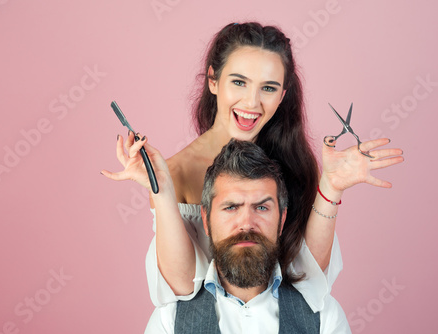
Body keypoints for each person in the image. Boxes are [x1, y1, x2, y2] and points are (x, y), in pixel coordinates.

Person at [101, 22, 403, 309]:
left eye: (268, 88)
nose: (252, 103)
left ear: (283, 95)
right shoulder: (173, 173)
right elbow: (181, 287)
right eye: (239, 82)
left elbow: (310, 279)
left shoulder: (293, 162)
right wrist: (162, 191)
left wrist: (331, 188)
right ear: (213, 80)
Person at [145, 139, 351, 333]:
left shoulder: (324, 318)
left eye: (261, 207)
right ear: (206, 220)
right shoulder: (169, 320)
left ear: (281, 220)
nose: (246, 224)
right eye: (231, 207)